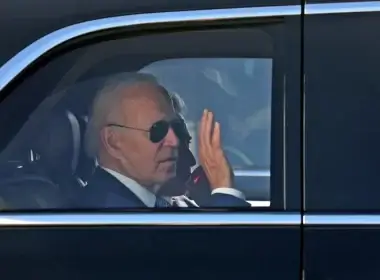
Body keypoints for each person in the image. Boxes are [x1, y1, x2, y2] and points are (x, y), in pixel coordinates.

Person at [81, 72, 250, 208]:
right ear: (113, 141)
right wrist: (224, 190)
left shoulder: (153, 202)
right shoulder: (106, 212)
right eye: (158, 129)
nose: (174, 141)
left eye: (173, 127)